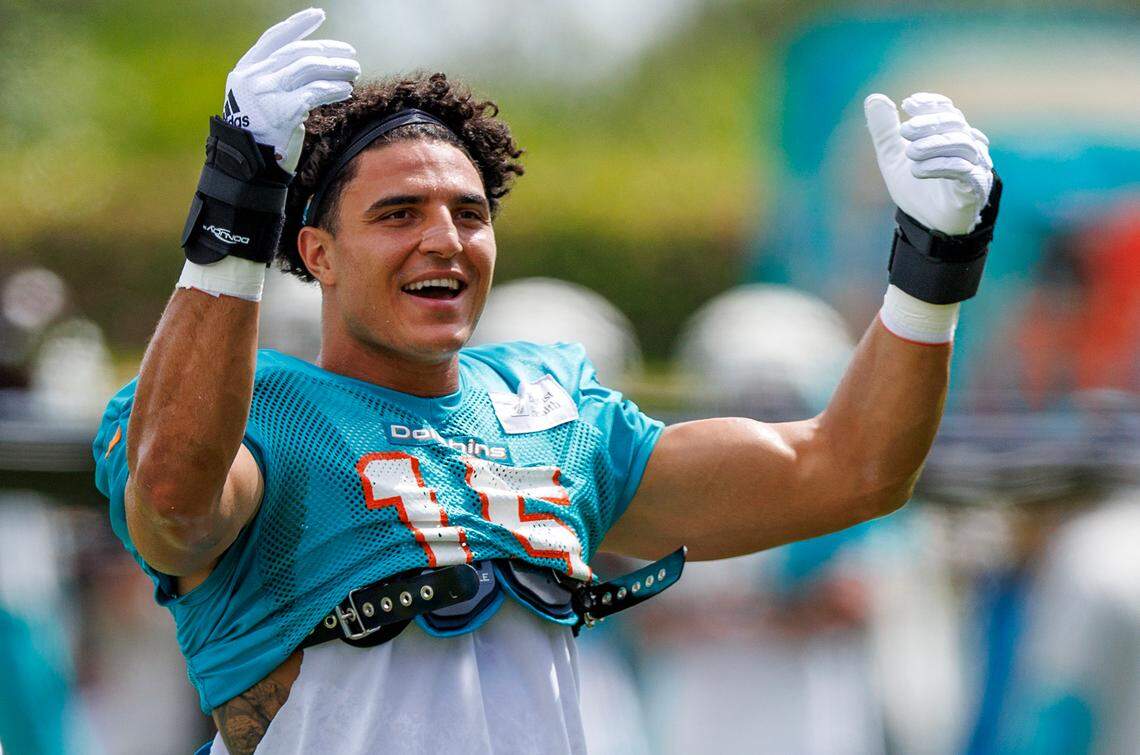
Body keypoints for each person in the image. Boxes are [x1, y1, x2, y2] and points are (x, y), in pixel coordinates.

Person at [92, 8, 1000, 754]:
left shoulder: (552, 414)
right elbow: (173, 500)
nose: (442, 237)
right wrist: (235, 203)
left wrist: (934, 267)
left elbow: (851, 467)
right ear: (317, 253)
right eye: (398, 213)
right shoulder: (259, 412)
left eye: (468, 212)